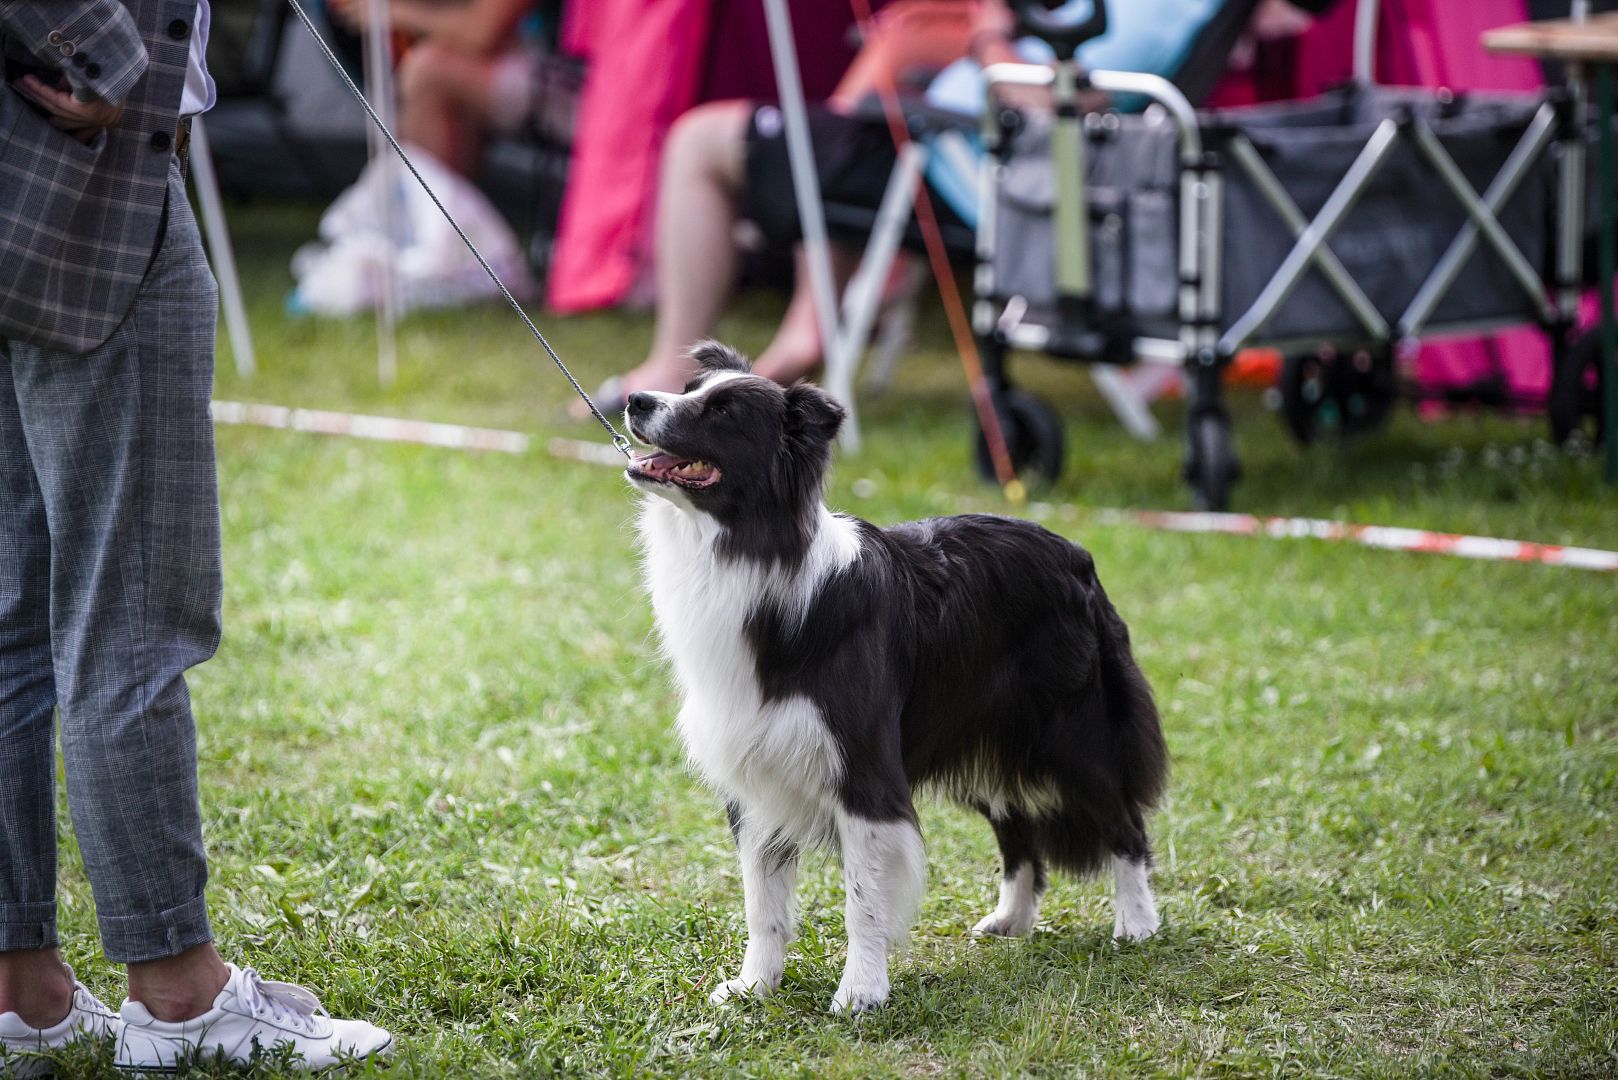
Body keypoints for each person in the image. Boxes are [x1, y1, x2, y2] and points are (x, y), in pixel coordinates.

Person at [0, 2, 391, 1072]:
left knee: (12, 614)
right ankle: (178, 996)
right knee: (130, 617)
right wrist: (106, 53)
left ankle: (21, 988)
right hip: (86, 181)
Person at [580, 0, 1336, 413]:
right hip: (945, 147)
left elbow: (1056, 100)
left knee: (699, 141)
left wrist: (988, 36)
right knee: (859, 88)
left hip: (953, 163)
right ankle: (787, 339)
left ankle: (679, 364)